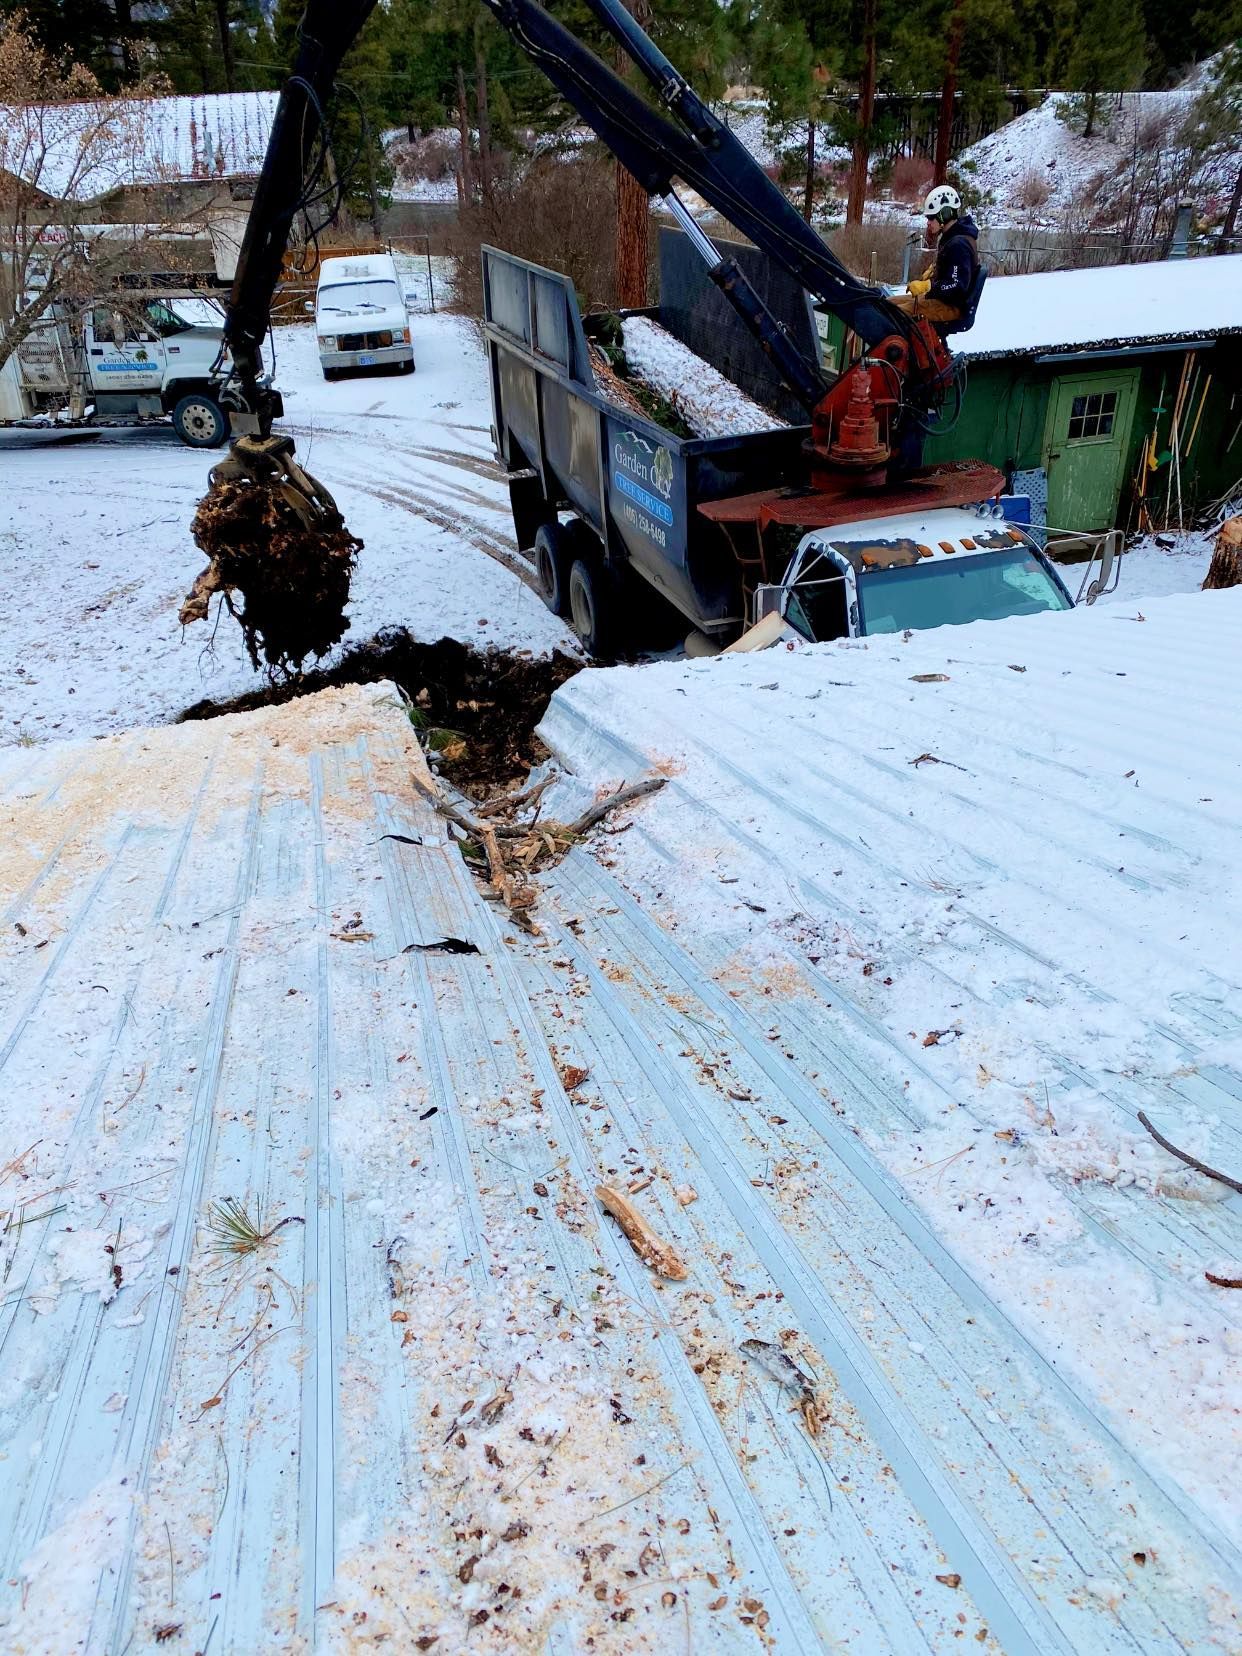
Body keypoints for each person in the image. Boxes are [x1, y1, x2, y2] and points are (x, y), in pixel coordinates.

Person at [891, 184, 979, 325]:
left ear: (945, 214)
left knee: (895, 314)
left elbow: (957, 285)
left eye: (931, 218)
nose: (928, 223)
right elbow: (951, 270)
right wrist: (935, 270)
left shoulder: (959, 245)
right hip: (940, 298)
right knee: (888, 304)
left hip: (951, 306)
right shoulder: (951, 237)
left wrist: (928, 286)